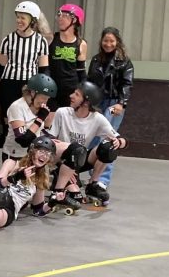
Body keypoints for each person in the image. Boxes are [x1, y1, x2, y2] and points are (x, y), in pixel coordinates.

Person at [45, 81, 129, 210]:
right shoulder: (62, 112)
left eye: (76, 94)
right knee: (76, 197)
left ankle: (93, 185)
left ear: (86, 102)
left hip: (79, 159)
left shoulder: (97, 118)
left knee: (108, 147)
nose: (71, 96)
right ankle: (58, 191)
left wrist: (119, 142)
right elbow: (51, 139)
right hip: (61, 161)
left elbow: (121, 140)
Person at [0, 1, 49, 147]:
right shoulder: (8, 39)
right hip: (9, 83)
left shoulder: (41, 41)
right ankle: (8, 150)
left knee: (28, 117)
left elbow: (44, 69)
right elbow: (1, 66)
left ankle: (27, 147)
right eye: (18, 17)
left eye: (23, 18)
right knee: (9, 119)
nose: (19, 20)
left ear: (32, 20)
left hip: (29, 85)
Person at [87, 27, 134, 192]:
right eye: (105, 40)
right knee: (93, 140)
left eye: (112, 41)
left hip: (114, 104)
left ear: (117, 42)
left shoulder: (125, 62)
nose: (108, 44)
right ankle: (92, 176)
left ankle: (102, 180)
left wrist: (122, 103)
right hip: (97, 104)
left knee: (108, 140)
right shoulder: (95, 60)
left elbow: (127, 84)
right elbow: (90, 82)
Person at [0, 73, 57, 162]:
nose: (45, 102)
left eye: (47, 98)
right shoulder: (17, 107)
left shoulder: (41, 109)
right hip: (14, 156)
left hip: (32, 155)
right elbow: (23, 141)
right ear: (33, 93)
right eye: (43, 97)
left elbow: (42, 130)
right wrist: (40, 119)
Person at [49, 3, 88, 109]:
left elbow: (81, 71)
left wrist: (84, 91)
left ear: (74, 20)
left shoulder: (81, 44)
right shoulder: (51, 38)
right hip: (51, 88)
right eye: (59, 15)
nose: (60, 19)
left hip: (71, 90)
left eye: (65, 16)